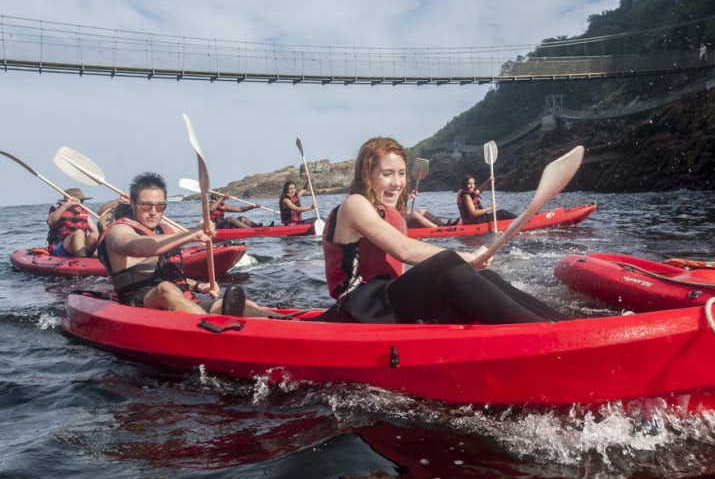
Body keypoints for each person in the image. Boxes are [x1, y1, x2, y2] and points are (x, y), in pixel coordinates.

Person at [309, 137, 566, 325]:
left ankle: (562, 323)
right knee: (449, 264)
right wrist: (465, 257)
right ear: (367, 175)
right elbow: (404, 249)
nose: (397, 182)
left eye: (401, 173)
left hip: (388, 304)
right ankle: (546, 336)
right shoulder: (354, 204)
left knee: (482, 276)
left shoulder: (391, 213)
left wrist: (470, 265)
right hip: (359, 308)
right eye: (387, 174)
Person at [97, 171, 281, 317]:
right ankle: (211, 331)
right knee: (165, 289)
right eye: (146, 206)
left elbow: (165, 272)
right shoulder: (118, 231)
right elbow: (138, 247)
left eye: (159, 206)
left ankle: (279, 322)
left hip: (182, 303)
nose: (153, 212)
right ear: (132, 203)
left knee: (243, 305)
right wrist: (191, 235)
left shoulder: (163, 229)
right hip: (138, 305)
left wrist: (198, 286)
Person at [46, 187, 99, 258]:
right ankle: (82, 259)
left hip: (81, 248)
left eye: (82, 201)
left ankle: (97, 258)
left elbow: (96, 233)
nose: (81, 204)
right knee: (79, 232)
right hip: (62, 248)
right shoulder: (59, 210)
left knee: (95, 235)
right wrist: (67, 205)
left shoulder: (84, 214)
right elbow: (50, 221)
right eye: (78, 201)